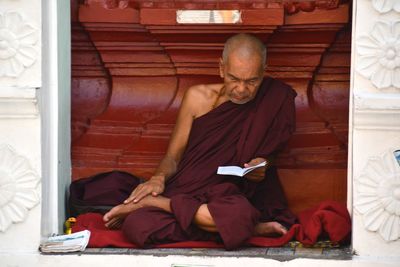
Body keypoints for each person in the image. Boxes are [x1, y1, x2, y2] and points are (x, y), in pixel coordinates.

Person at [103, 33, 297, 250]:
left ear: (263, 72)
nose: (242, 90)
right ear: (221, 68)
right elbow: (172, 158)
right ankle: (248, 229)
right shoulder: (197, 97)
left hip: (230, 194)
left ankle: (160, 205)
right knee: (138, 225)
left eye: (252, 81)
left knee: (237, 213)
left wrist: (263, 164)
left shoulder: (276, 98)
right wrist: (158, 178)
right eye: (234, 79)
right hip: (189, 191)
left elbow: (271, 151)